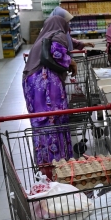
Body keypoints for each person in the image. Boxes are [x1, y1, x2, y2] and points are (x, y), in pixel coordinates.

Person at [22, 15, 76, 165]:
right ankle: (59, 164)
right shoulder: (58, 35)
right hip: (47, 86)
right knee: (55, 121)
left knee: (41, 124)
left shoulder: (41, 38)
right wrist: (70, 61)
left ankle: (44, 164)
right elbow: (57, 55)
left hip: (32, 85)